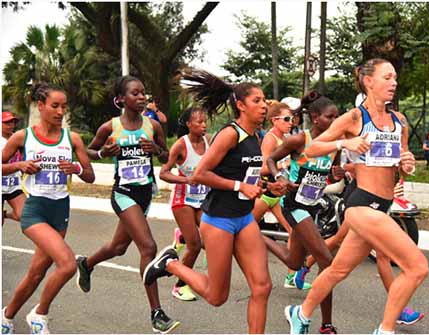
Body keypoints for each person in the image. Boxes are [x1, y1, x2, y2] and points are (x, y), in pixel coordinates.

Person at [285, 58, 428, 335]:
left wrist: (406, 165)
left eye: (395, 78)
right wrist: (344, 142)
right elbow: (313, 149)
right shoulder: (354, 118)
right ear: (368, 81)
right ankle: (385, 330)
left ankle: (299, 313)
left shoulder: (399, 121)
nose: (394, 83)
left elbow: (401, 164)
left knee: (338, 270)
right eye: (387, 77)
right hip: (362, 205)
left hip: (383, 206)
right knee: (417, 266)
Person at [143, 69, 285, 334]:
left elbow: (247, 175)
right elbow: (201, 174)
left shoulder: (257, 136)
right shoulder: (230, 134)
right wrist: (238, 185)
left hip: (243, 218)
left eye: (264, 100)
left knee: (262, 287)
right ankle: (169, 264)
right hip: (219, 219)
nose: (264, 105)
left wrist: (268, 185)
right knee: (216, 296)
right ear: (240, 106)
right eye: (257, 100)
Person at [75, 75, 179, 333]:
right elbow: (86, 150)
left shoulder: (153, 126)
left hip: (145, 193)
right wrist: (102, 154)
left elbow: (168, 156)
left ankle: (86, 264)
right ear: (120, 99)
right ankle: (156, 313)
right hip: (123, 193)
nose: (142, 97)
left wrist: (155, 149)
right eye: (135, 93)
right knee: (148, 247)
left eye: (144, 93)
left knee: (119, 247)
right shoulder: (110, 127)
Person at [1, 83, 95, 334]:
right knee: (66, 264)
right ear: (40, 106)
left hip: (60, 210)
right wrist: (20, 165)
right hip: (34, 210)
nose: (60, 111)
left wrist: (75, 168)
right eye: (55, 105)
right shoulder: (23, 137)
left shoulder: (72, 139)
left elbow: (90, 176)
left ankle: (6, 317)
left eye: (64, 106)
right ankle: (39, 313)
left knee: (36, 273)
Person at [265, 91, 342, 334]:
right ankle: (326, 325)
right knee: (328, 263)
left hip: (312, 206)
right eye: (331, 117)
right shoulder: (300, 140)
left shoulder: (333, 144)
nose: (336, 121)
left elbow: (327, 173)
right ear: (316, 118)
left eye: (337, 117)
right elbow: (270, 161)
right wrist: (280, 177)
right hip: (294, 205)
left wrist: (337, 173)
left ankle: (259, 237)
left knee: (294, 262)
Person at [252, 101, 311, 290]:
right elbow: (261, 168)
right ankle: (194, 241)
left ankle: (291, 277)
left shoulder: (287, 138)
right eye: (286, 119)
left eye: (292, 118)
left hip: (280, 193)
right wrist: (282, 165)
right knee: (241, 228)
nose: (290, 122)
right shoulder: (270, 139)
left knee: (294, 231)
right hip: (267, 191)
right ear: (274, 120)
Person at [159, 106, 210, 301]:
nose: (204, 125)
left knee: (213, 239)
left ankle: (181, 236)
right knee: (195, 245)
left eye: (205, 121)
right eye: (199, 122)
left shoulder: (209, 141)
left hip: (203, 199)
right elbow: (163, 172)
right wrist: (187, 180)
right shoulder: (181, 145)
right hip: (183, 199)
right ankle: (180, 286)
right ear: (189, 124)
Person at [1, 111, 25, 225]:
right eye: (7, 123)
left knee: (24, 214)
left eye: (13, 122)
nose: (11, 125)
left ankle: (5, 214)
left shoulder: (18, 138)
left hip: (14, 185)